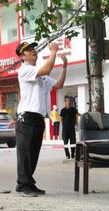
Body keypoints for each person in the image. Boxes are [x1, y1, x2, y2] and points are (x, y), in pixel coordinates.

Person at [15, 41, 67, 196]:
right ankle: (22, 185)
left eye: (34, 49)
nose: (33, 52)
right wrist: (54, 52)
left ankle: (29, 183)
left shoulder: (41, 76)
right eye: (29, 50)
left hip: (38, 117)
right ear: (22, 56)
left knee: (33, 152)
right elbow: (46, 68)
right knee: (25, 153)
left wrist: (64, 66)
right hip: (27, 116)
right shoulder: (24, 70)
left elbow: (59, 84)